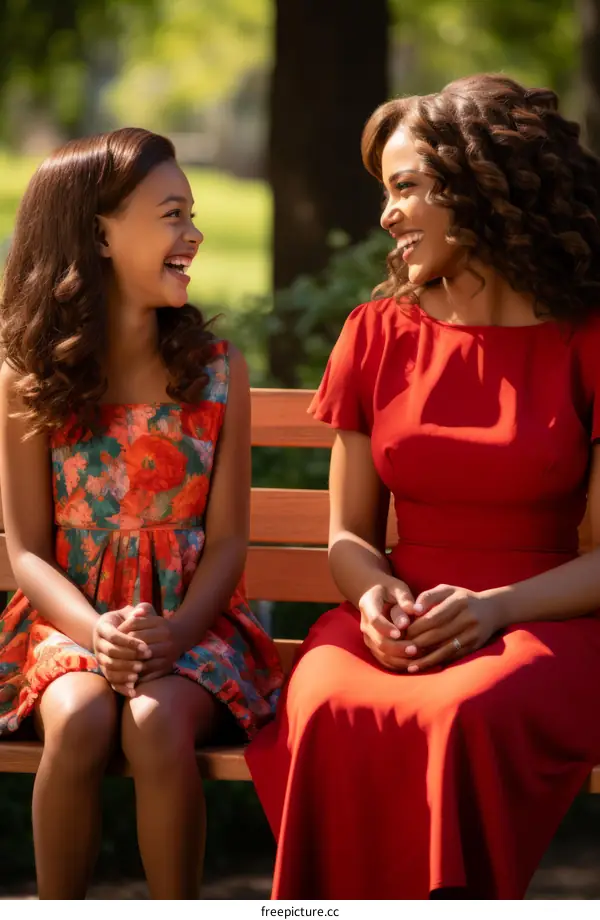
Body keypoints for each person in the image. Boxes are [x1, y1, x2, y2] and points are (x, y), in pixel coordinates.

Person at [245, 73, 600, 899]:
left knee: (460, 715)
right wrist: (371, 597)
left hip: (548, 623)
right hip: (394, 620)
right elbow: (348, 537)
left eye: (406, 187)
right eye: (386, 191)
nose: (387, 214)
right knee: (329, 706)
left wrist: (495, 608)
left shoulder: (587, 338)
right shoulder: (377, 334)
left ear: (480, 188)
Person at [0, 128, 283, 899]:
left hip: (197, 626)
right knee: (84, 718)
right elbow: (26, 551)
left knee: (156, 721)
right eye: (172, 214)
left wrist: (176, 633)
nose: (192, 234)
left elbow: (228, 539)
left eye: (192, 214)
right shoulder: (28, 378)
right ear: (99, 231)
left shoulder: (219, 373)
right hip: (68, 623)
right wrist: (96, 633)